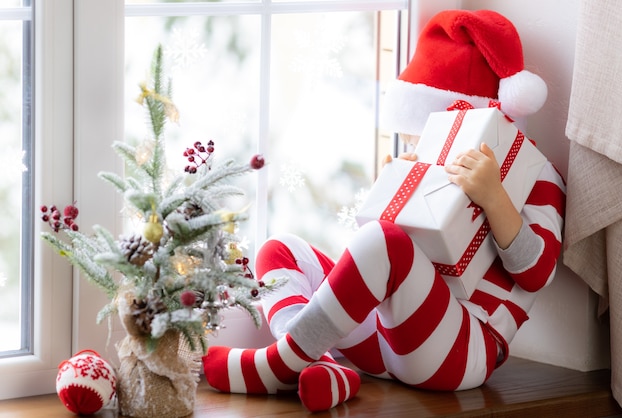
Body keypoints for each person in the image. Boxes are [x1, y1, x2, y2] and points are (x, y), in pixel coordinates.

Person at [202, 9, 566, 412]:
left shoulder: (539, 177)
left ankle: (279, 365)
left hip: (461, 350)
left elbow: (537, 274)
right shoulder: (426, 159)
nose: (418, 142)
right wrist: (394, 196)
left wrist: (494, 197)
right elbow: (374, 266)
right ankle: (318, 364)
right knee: (279, 249)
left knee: (384, 241)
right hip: (385, 336)